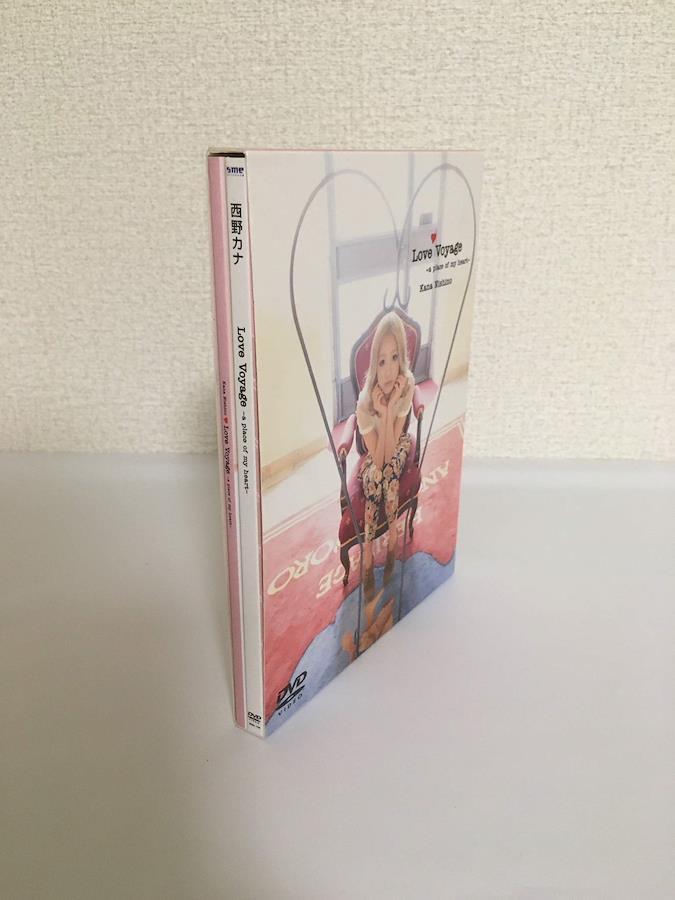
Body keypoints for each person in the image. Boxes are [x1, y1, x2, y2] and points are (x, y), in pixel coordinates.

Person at [355, 311, 414, 623]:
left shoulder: (407, 385)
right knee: (379, 476)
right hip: (377, 457)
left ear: (402, 357)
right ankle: (374, 549)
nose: (390, 370)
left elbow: (393, 453)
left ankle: (388, 541)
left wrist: (391, 410)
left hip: (398, 445)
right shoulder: (364, 405)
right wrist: (381, 409)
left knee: (386, 473)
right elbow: (378, 459)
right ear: (373, 365)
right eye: (381, 361)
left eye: (395, 358)